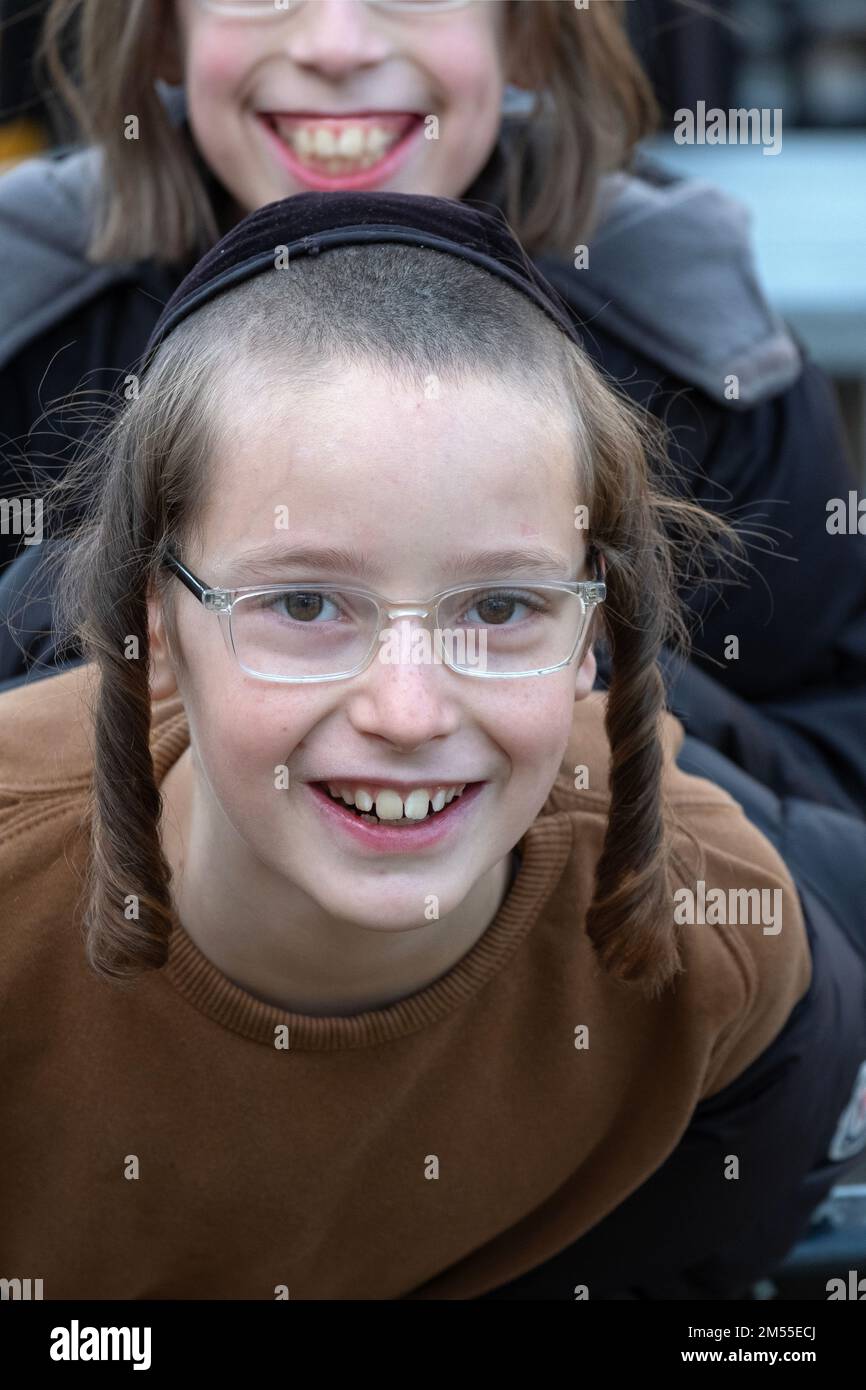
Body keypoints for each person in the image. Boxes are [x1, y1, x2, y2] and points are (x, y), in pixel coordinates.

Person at [1, 191, 865, 1302]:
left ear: (589, 641)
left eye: (500, 608)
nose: (407, 713)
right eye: (305, 606)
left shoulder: (727, 957)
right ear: (154, 631)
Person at [0, 0, 865, 816]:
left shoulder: (698, 339)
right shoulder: (27, 318)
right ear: (160, 27)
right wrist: (89, 618)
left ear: (523, 29)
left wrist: (580, 673)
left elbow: (833, 790)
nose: (335, 45)